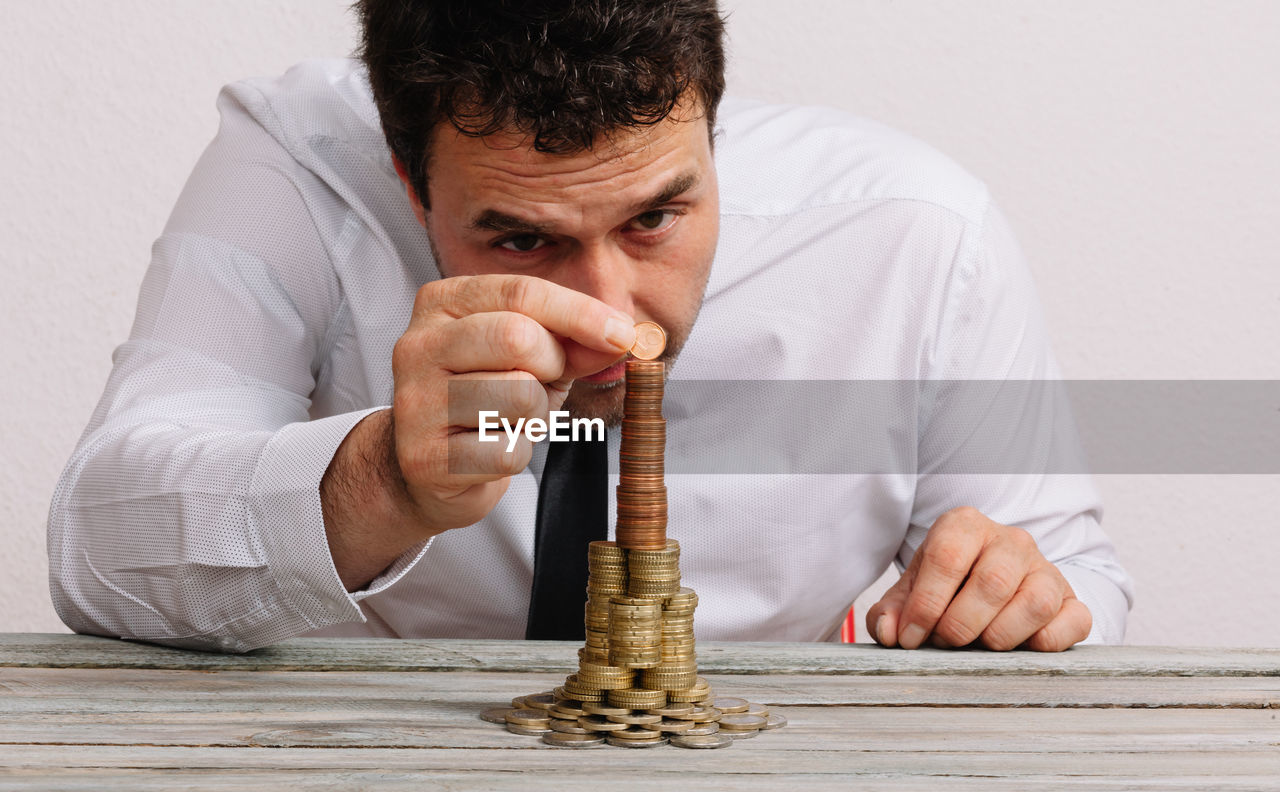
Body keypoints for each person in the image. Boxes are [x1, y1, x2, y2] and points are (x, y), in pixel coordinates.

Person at [48, 0, 1133, 654]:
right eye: (520, 238)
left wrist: (1017, 600)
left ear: (713, 124)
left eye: (656, 215)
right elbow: (98, 549)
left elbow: (1075, 580)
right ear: (407, 180)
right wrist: (381, 480)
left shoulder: (917, 235)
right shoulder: (296, 168)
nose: (613, 320)